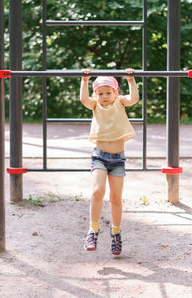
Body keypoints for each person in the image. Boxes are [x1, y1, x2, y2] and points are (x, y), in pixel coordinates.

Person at [80, 68, 139, 255]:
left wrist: (131, 80)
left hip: (118, 159)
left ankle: (116, 233)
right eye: (100, 93)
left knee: (115, 198)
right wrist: (84, 80)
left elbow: (134, 98)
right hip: (99, 156)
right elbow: (84, 99)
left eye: (108, 92)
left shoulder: (120, 102)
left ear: (115, 92)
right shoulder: (95, 105)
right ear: (95, 95)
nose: (104, 96)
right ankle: (93, 230)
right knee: (97, 191)